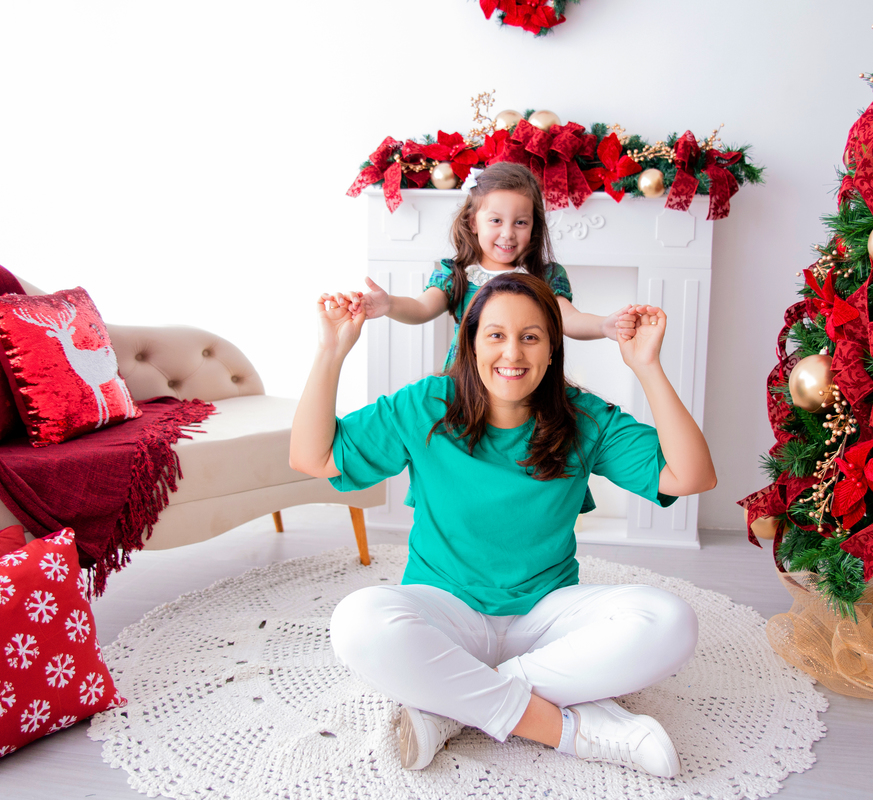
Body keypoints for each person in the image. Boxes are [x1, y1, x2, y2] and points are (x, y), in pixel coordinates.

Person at [290, 272, 716, 778]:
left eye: (530, 337)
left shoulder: (583, 418)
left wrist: (646, 367)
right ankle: (567, 729)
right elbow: (313, 457)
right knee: (356, 621)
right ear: (469, 346)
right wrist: (331, 351)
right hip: (445, 613)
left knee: (671, 620)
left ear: (552, 350)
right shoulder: (424, 404)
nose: (512, 353)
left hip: (545, 619)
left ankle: (449, 707)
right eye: (495, 335)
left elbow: (691, 475)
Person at [348, 161, 635, 368]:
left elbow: (569, 319)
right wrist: (389, 305)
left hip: (518, 375)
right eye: (496, 220)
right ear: (473, 222)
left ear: (534, 226)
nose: (508, 233)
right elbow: (422, 308)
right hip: (466, 380)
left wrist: (604, 325)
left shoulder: (545, 276)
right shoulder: (455, 274)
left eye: (520, 222)